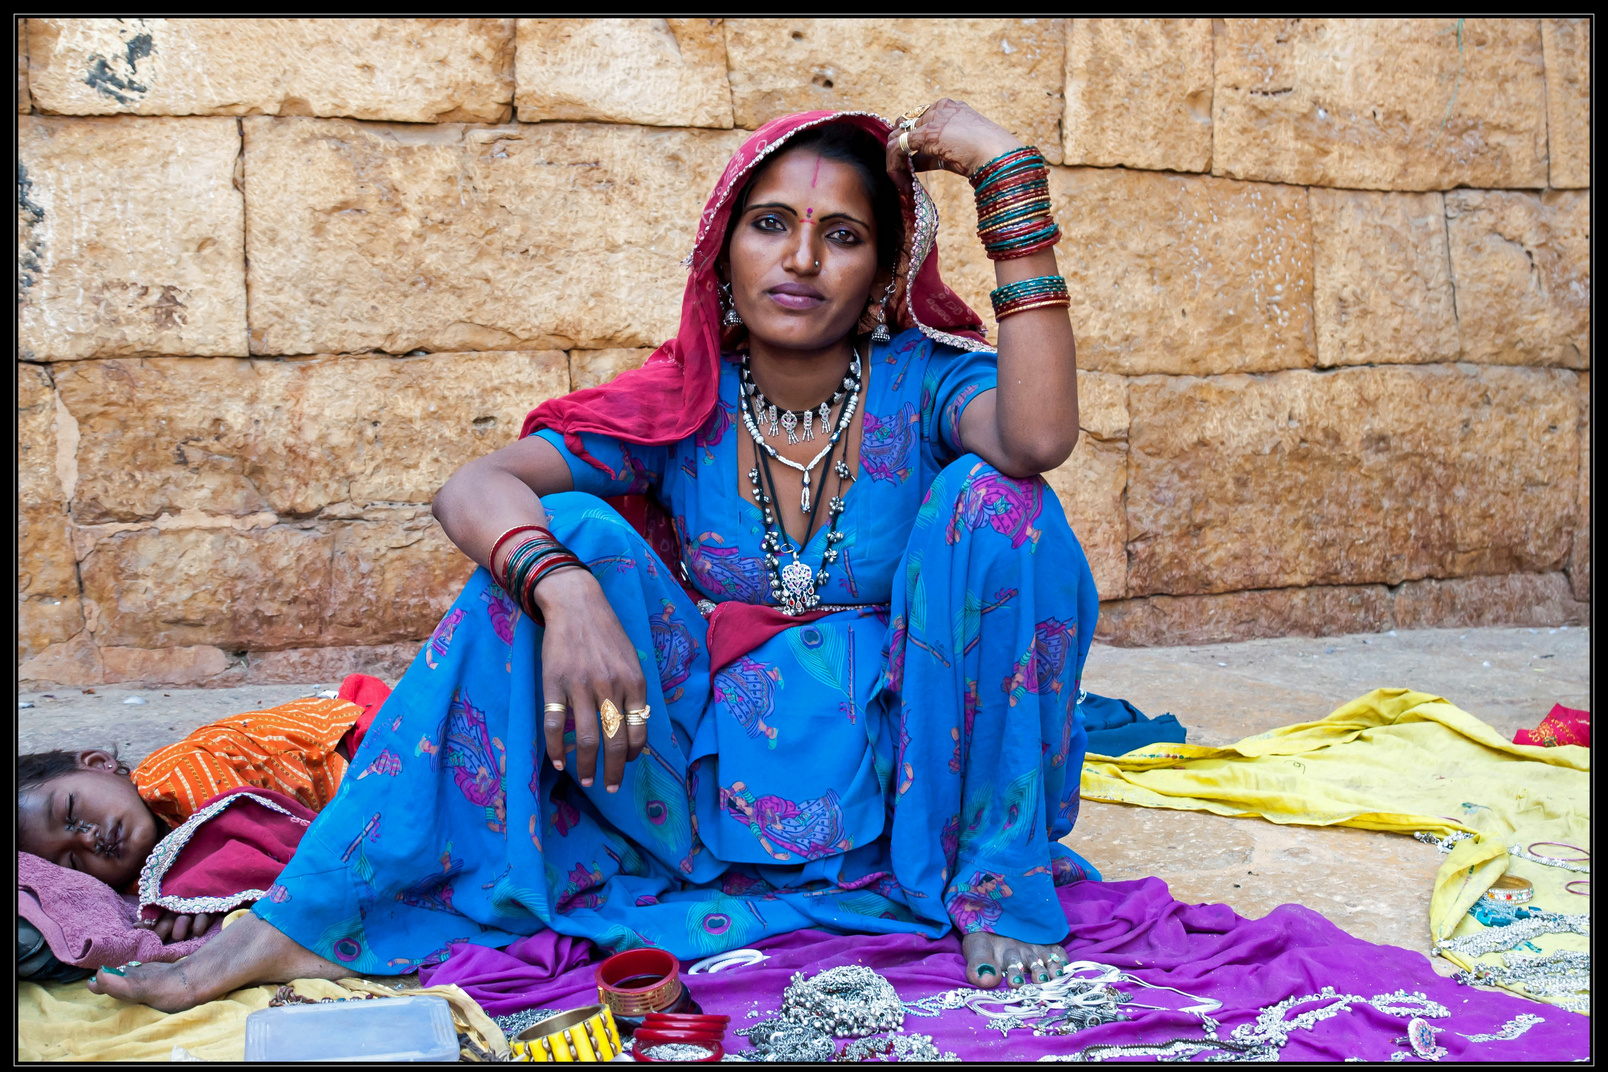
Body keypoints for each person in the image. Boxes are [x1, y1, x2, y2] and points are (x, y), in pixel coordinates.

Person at [90, 101, 1101, 1013]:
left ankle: (995, 879)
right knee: (559, 538)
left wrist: (1007, 178)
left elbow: (1038, 436)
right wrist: (567, 592)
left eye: (841, 236)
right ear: (722, 255)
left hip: (909, 791)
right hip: (699, 788)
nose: (799, 260)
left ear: (882, 278)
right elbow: (473, 486)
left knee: (1002, 504)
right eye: (769, 225)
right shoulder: (684, 399)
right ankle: (302, 921)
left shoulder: (926, 386)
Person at [17, 684, 383, 942]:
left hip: (365, 740)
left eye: (70, 812)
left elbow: (245, 819)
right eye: (73, 863)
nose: (87, 839)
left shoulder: (170, 773)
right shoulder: (141, 882)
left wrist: (199, 886)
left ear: (98, 763)